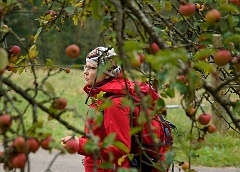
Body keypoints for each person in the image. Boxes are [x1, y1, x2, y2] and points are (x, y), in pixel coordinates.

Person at [61, 46, 166, 172]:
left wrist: (81, 145)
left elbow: (119, 148)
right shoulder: (102, 96)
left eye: (92, 68)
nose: (85, 71)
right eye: (86, 66)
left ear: (107, 73)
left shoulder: (114, 104)